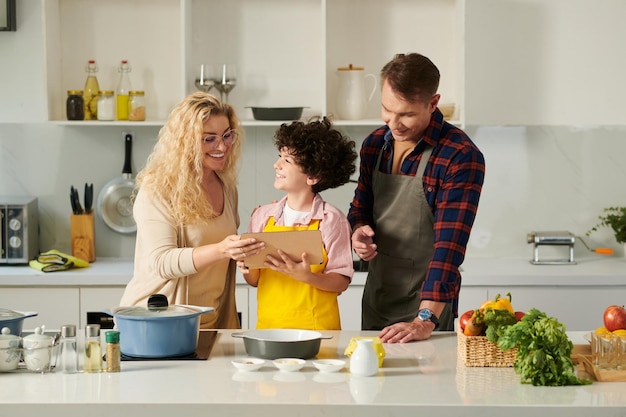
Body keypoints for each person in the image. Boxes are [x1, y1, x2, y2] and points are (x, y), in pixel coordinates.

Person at [348, 53, 486, 343]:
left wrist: (424, 320)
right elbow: (360, 207)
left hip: (428, 306)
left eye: (407, 114)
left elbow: (448, 248)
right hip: (378, 294)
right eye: (387, 109)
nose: (394, 124)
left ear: (433, 103)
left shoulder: (459, 156)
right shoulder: (375, 145)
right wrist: (358, 231)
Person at [119, 92, 265, 329]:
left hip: (211, 322)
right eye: (209, 139)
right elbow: (162, 262)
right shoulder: (158, 189)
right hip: (159, 323)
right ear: (184, 141)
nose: (222, 146)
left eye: (227, 136)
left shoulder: (226, 187)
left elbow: (226, 255)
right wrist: (222, 249)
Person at [239, 117, 357, 330]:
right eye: (279, 156)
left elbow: (341, 281)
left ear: (312, 176)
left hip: (318, 331)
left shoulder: (332, 221)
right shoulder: (262, 217)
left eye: (287, 160)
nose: (277, 164)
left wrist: (308, 277)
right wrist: (246, 266)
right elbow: (255, 281)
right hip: (269, 329)